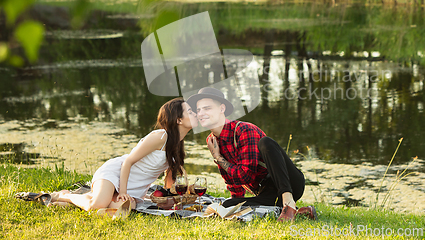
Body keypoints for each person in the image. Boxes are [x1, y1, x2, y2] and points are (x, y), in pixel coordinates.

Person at [187, 87, 316, 222]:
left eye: (207, 108)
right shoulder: (212, 140)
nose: (201, 113)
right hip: (265, 192)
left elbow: (245, 175)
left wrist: (218, 158)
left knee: (266, 142)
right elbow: (231, 179)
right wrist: (236, 200)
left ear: (221, 108)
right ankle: (302, 211)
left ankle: (288, 202)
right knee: (227, 205)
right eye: (199, 110)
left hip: (289, 182)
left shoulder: (244, 130)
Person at [50, 98, 197, 212]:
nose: (195, 113)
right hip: (116, 173)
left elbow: (169, 183)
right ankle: (66, 196)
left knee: (126, 206)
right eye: (190, 112)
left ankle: (77, 200)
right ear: (178, 120)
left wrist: (180, 195)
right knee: (97, 206)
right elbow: (128, 162)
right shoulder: (160, 137)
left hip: (135, 186)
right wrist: (123, 192)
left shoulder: (178, 145)